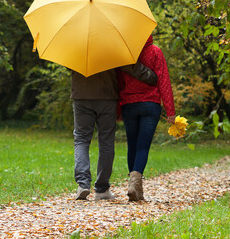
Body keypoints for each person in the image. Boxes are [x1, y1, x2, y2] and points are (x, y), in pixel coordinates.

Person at [71, 62, 156, 201]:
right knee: (106, 141)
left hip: (81, 94)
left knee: (81, 139)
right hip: (107, 95)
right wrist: (151, 76)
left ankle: (83, 184)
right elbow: (128, 65)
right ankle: (102, 189)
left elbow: (70, 65)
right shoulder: (111, 42)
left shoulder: (75, 43)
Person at [118, 34, 175, 202]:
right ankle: (135, 187)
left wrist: (118, 109)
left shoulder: (125, 55)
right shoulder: (155, 51)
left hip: (129, 104)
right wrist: (170, 110)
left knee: (132, 145)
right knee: (142, 147)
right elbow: (163, 81)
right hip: (150, 105)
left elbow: (119, 82)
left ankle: (134, 187)